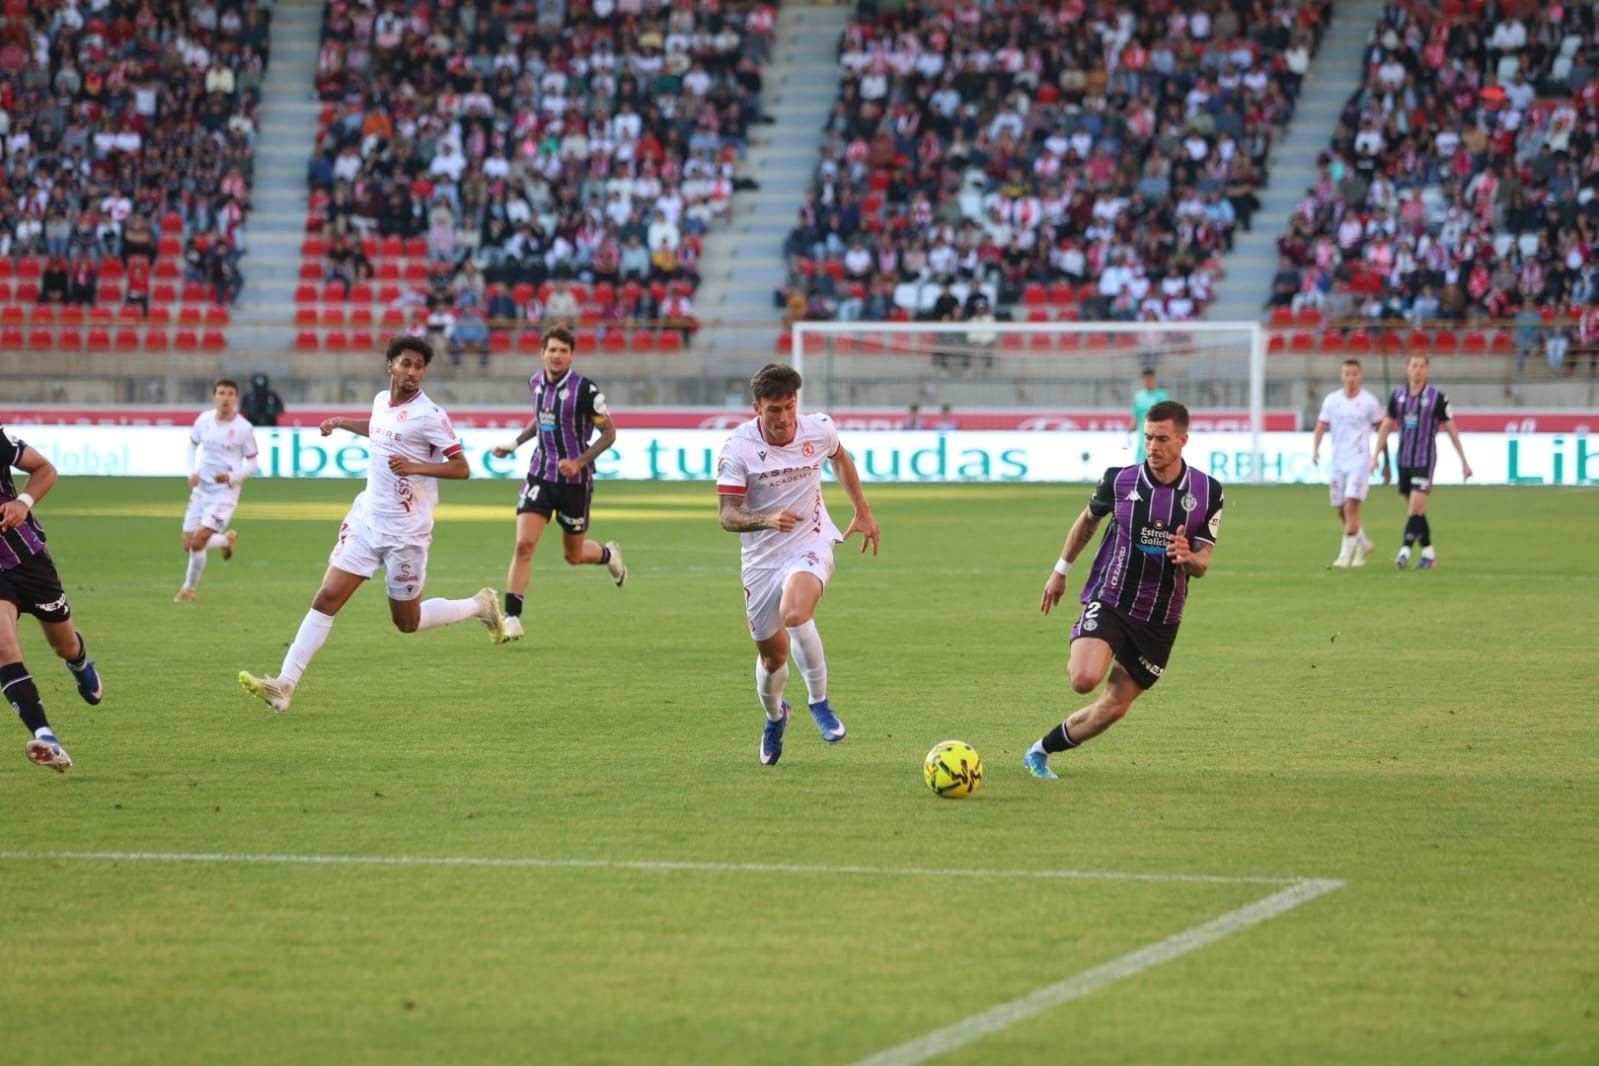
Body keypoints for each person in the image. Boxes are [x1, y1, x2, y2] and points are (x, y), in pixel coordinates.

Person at [239, 337, 509, 712]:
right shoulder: (382, 401)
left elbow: (461, 467)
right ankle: (284, 685)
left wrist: (415, 466)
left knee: (406, 622)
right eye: (406, 364)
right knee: (327, 598)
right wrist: (343, 423)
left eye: (419, 366)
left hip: (406, 534)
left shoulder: (430, 415)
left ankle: (480, 605)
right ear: (391, 366)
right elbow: (380, 428)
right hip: (367, 520)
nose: (412, 372)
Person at [1024, 400, 1223, 780]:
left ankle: (1040, 750)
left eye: (1162, 439)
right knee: (1084, 680)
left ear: (1183, 440)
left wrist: (1188, 557)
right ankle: (1095, 637)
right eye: (1147, 437)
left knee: (1114, 708)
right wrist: (1060, 570)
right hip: (1112, 595)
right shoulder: (1119, 480)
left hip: (1161, 615)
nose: (1153, 447)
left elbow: (1203, 564)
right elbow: (1087, 521)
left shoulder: (1208, 491)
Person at [715, 363, 881, 766]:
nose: (784, 418)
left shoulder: (818, 429)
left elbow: (840, 459)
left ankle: (819, 703)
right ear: (757, 408)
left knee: (796, 611)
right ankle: (775, 717)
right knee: (772, 657)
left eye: (790, 406)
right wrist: (766, 520)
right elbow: (728, 515)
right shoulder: (737, 450)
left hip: (810, 539)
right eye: (774, 409)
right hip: (761, 559)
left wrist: (862, 510)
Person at [489, 326, 627, 644]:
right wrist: (515, 443)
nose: (557, 355)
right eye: (552, 349)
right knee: (524, 545)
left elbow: (609, 433)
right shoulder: (535, 382)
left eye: (563, 350)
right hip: (540, 474)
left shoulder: (585, 391)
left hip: (574, 482)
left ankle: (608, 555)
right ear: (542, 353)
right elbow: (540, 418)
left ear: (571, 355)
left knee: (573, 555)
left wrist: (578, 461)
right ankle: (512, 617)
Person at [0, 426, 104, 772]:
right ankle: (47, 737)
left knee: (65, 646)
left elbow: (45, 470)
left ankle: (79, 664)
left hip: (27, 560)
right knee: (5, 651)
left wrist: (22, 502)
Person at [1371, 353, 1473, 569]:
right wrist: (1375, 458)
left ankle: (1404, 552)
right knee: (1415, 511)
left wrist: (1463, 460)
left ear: (1427, 370)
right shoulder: (1397, 396)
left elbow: (1451, 428)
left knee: (1416, 507)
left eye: (1421, 366)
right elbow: (1386, 427)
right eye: (1414, 365)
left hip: (1424, 460)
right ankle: (1428, 555)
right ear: (1407, 369)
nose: (1417, 370)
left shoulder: (1437, 398)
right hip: (1404, 460)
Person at [175, 379, 258, 602]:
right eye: (221, 393)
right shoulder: (204, 420)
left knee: (198, 541)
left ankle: (188, 590)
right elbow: (191, 446)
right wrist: (190, 472)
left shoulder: (243, 428)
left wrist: (232, 477)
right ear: (214, 397)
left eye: (231, 394)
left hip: (224, 493)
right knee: (188, 543)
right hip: (201, 489)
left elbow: (252, 462)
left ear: (236, 399)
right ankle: (224, 541)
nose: (226, 398)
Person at [1311, 359, 1387, 568]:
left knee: (1351, 507)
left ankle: (1344, 557)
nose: (1351, 377)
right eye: (1347, 373)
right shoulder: (1332, 400)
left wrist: (1381, 459)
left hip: (1360, 463)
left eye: (1354, 373)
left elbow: (1383, 429)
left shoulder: (1369, 402)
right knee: (1340, 509)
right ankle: (1363, 543)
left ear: (1360, 375)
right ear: (1341, 375)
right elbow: (1321, 426)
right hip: (1338, 462)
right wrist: (1315, 450)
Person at [1129, 369, 1169, 462]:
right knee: (1141, 456)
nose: (1147, 382)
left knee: (1155, 457)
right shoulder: (1139, 396)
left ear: (1153, 379)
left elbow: (1167, 415)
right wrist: (1131, 428)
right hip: (1142, 433)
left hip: (1157, 433)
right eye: (1145, 380)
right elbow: (1135, 414)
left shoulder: (1161, 396)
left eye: (1149, 379)